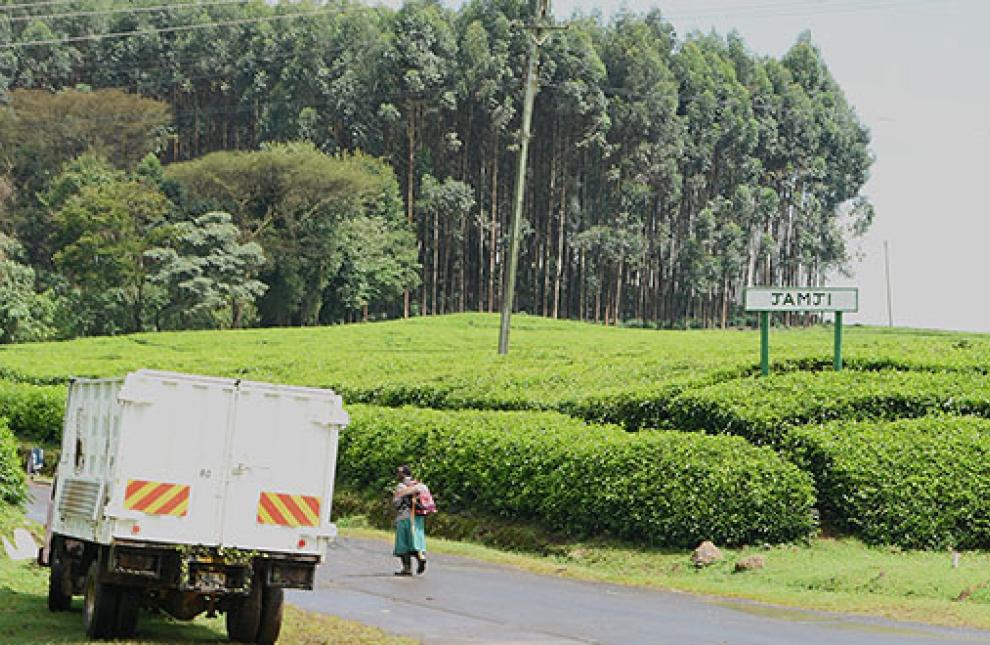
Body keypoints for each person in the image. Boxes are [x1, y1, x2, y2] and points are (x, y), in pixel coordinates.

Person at [392, 464, 427, 576]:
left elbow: (396, 503)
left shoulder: (401, 486)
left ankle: (407, 568)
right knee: (415, 541)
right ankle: (421, 557)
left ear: (402, 474)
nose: (397, 474)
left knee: (403, 544)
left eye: (399, 472)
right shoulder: (419, 485)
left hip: (404, 517)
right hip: (417, 517)